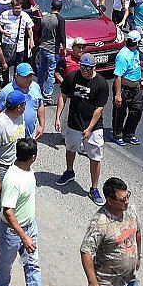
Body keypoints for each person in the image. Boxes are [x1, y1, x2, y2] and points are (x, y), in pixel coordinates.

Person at [55, 54, 110, 205]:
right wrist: (58, 117)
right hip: (74, 122)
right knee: (70, 148)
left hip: (94, 127)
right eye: (82, 67)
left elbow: (99, 108)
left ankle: (94, 188)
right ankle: (69, 171)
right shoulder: (71, 77)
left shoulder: (101, 83)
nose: (85, 70)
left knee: (95, 157)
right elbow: (62, 96)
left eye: (88, 68)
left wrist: (89, 128)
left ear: (94, 67)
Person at [80, 177, 141, 286]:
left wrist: (138, 256)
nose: (127, 201)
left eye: (128, 196)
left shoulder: (130, 210)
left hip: (129, 277)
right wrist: (92, 282)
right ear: (110, 200)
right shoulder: (100, 223)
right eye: (123, 199)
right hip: (107, 282)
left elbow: (137, 231)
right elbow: (86, 252)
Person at [0, 138, 42, 286]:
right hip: (12, 232)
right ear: (33, 157)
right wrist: (24, 237)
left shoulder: (28, 171)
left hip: (29, 226)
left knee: (32, 265)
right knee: (5, 263)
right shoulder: (13, 179)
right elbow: (8, 212)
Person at [0, 91, 27, 209]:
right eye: (24, 104)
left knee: (16, 196)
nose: (26, 106)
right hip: (3, 167)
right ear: (18, 107)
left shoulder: (20, 115)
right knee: (1, 202)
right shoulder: (0, 125)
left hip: (18, 164)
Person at [111, 30, 143, 146]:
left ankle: (129, 133)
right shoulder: (122, 56)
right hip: (123, 89)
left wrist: (140, 80)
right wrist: (118, 95)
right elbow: (118, 77)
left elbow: (136, 67)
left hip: (135, 88)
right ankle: (117, 134)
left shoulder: (135, 52)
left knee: (137, 109)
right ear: (137, 42)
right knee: (120, 113)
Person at [0, 64, 44, 139]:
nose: (29, 79)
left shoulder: (35, 86)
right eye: (25, 76)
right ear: (16, 76)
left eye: (30, 76)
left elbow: (40, 105)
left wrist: (41, 125)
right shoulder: (6, 91)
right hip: (12, 137)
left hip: (31, 136)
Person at [36, 0, 66, 106]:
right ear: (60, 8)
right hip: (52, 50)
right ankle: (47, 96)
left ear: (51, 7)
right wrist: (64, 48)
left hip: (42, 48)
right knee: (50, 73)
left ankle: (38, 90)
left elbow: (39, 33)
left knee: (41, 71)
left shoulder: (44, 18)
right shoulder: (60, 19)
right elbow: (62, 35)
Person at [0, 0, 34, 81]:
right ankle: (5, 82)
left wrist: (31, 40)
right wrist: (2, 31)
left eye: (19, 8)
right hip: (7, 45)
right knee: (6, 66)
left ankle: (16, 83)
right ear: (12, 7)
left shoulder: (25, 16)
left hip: (19, 46)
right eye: (15, 8)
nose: (17, 10)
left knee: (18, 67)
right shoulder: (5, 14)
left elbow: (29, 28)